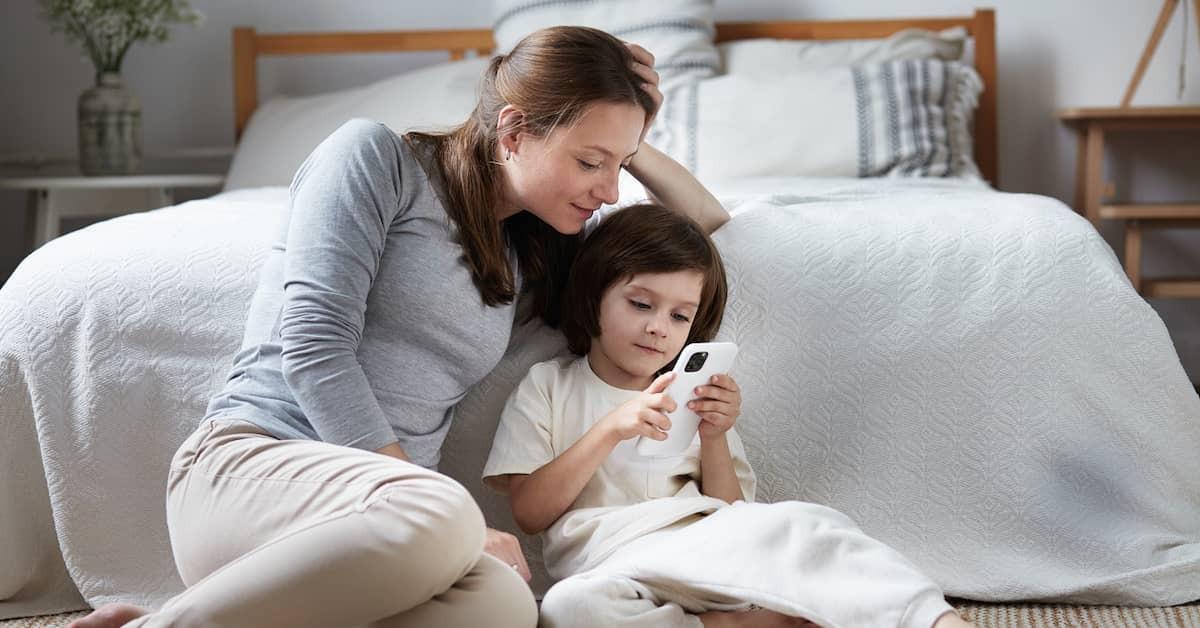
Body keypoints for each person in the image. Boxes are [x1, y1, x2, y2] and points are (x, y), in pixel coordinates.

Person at [70, 25, 729, 628]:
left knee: (503, 605)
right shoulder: (374, 158)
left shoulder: (531, 253)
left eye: (618, 166)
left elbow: (701, 221)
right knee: (449, 518)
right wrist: (436, 506)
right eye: (591, 162)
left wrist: (630, 136)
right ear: (513, 130)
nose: (610, 191)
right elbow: (312, 346)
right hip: (257, 473)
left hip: (383, 535)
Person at [482, 205, 977, 628]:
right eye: (640, 304)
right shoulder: (549, 386)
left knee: (803, 524)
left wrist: (714, 435)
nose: (658, 328)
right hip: (614, 567)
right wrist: (613, 427)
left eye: (680, 317)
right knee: (567, 610)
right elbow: (530, 513)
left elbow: (731, 509)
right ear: (593, 295)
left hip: (708, 550)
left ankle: (926, 618)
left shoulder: (691, 392)